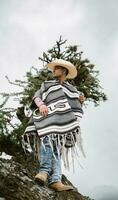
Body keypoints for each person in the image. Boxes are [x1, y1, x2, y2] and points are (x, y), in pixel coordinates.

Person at [23, 59, 85, 191]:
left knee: (57, 149)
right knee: (47, 141)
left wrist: (80, 99)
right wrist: (42, 105)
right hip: (47, 120)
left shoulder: (71, 89)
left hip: (60, 124)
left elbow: (75, 105)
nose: (54, 70)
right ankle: (44, 172)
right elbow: (37, 96)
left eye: (56, 68)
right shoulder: (47, 84)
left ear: (63, 70)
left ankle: (55, 180)